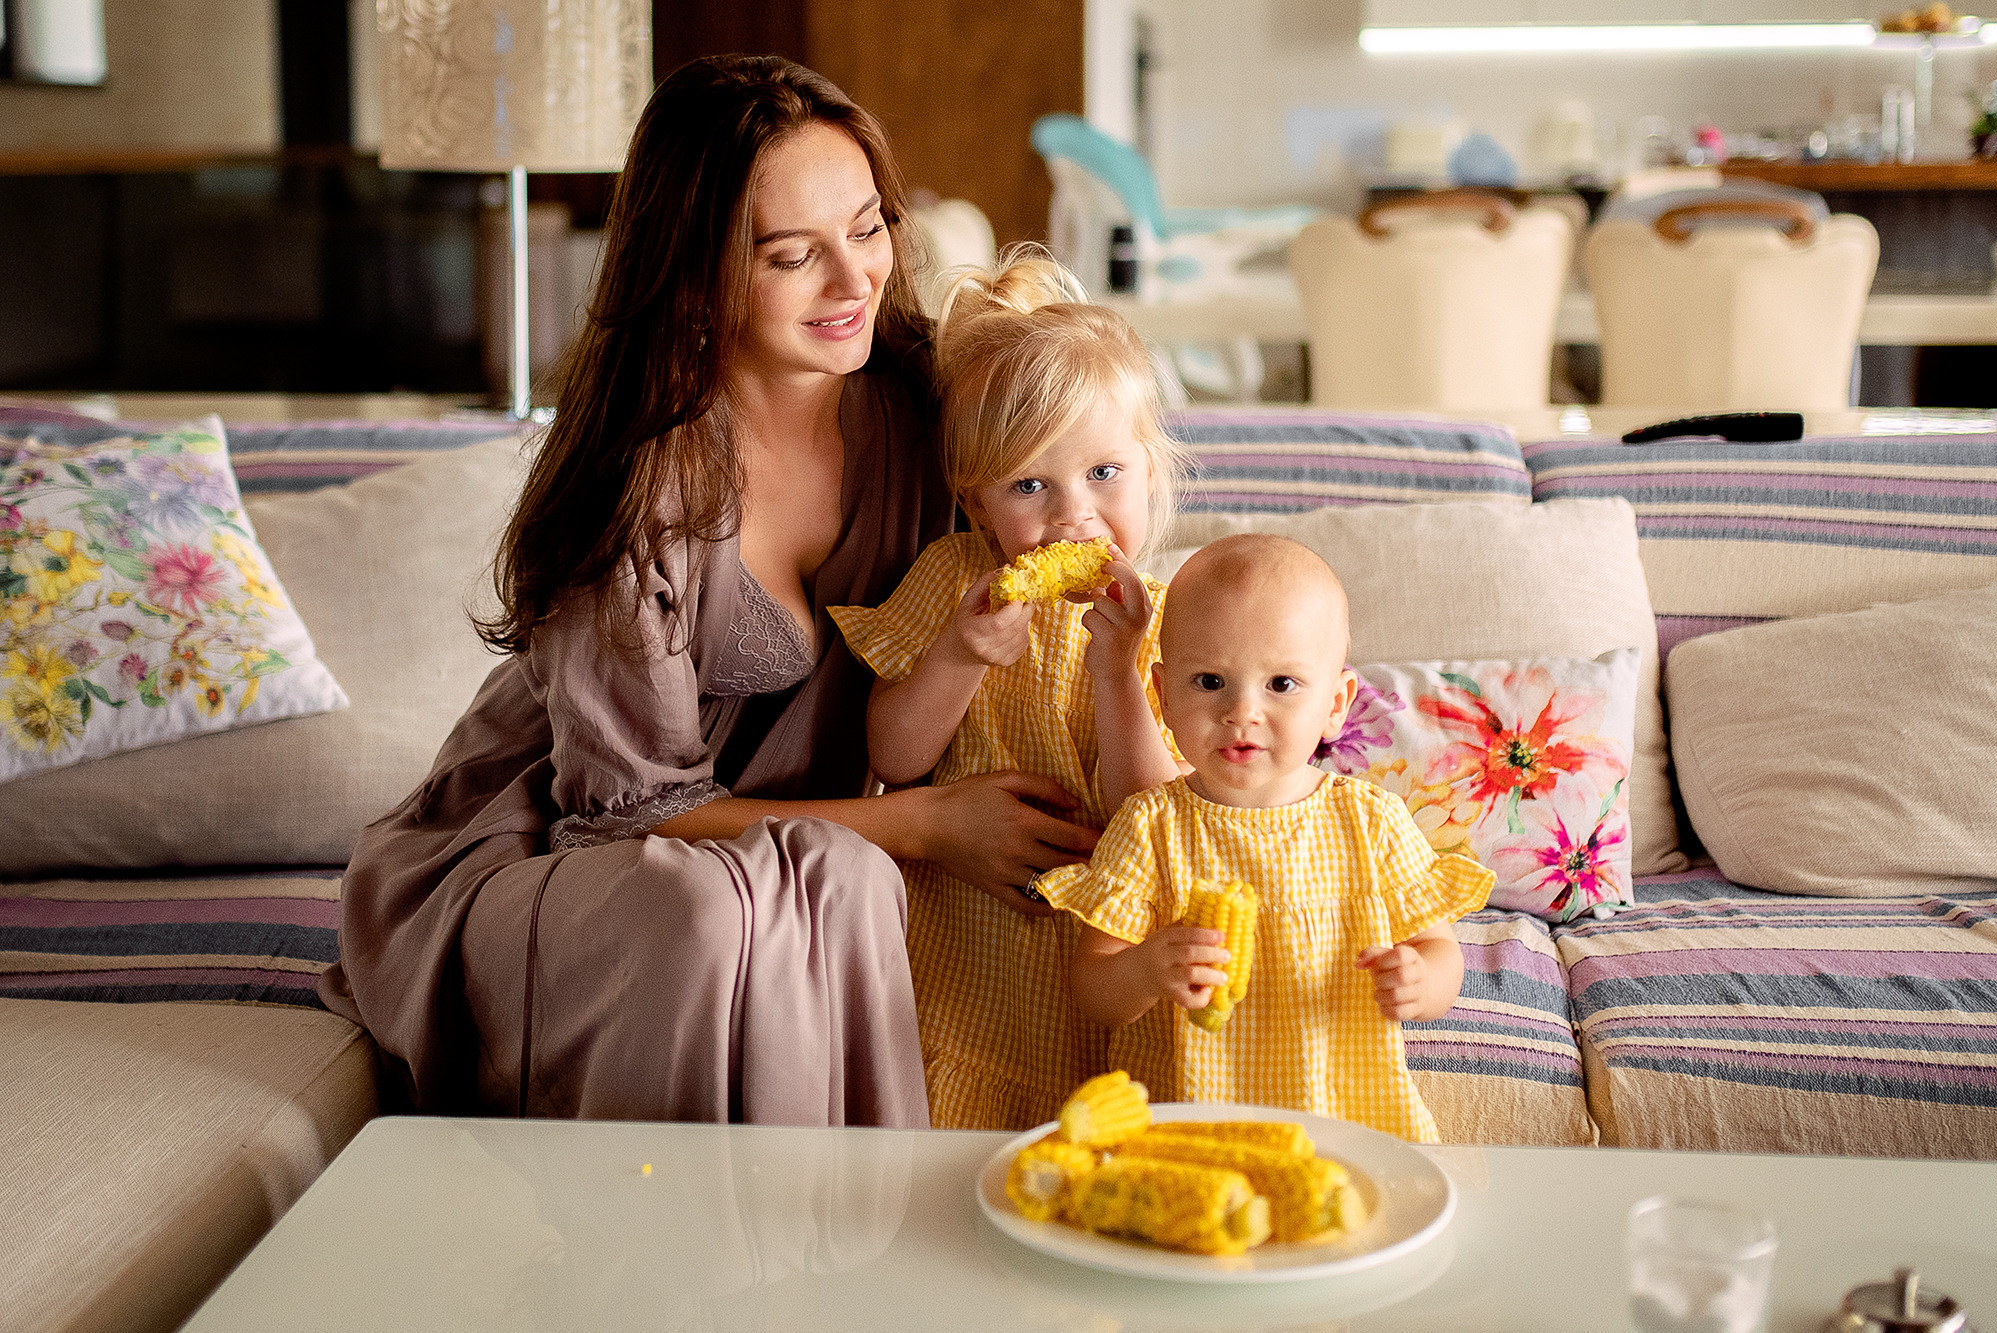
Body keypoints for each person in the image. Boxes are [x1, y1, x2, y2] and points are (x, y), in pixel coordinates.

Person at [317, 57, 1104, 1124]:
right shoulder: (634, 485)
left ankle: (844, 1244)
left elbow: (1096, 476)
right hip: (566, 855)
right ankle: (680, 1259)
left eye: (867, 228)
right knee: (719, 912)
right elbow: (620, 818)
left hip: (804, 861)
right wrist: (922, 825)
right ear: (696, 278)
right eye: (792, 255)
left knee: (838, 881)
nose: (853, 280)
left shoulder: (929, 408)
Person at [827, 253, 1188, 1131]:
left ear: (1150, 467)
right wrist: (956, 654)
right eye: (1031, 485)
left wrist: (1117, 671)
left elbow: (1154, 813)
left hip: (1101, 966)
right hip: (967, 963)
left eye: (1105, 473)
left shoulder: (1170, 623)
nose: (1074, 516)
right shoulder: (955, 583)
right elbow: (893, 757)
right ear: (979, 505)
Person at [1036, 533, 1494, 1142]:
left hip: (1345, 1116)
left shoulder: (1372, 823)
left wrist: (1422, 981)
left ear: (1336, 704)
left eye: (1281, 684)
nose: (1241, 711)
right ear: (1164, 694)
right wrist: (1146, 970)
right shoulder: (1150, 826)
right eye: (1209, 682)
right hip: (1185, 1123)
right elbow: (1092, 988)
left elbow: (1442, 952)